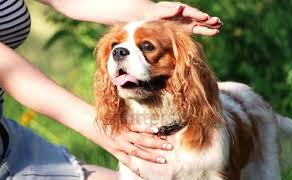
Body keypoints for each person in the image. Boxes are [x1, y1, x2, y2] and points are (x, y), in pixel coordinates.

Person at [0, 0, 222, 179]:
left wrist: (148, 11)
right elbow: (7, 69)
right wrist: (101, 127)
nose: (119, 52)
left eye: (146, 47)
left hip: (8, 139)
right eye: (115, 47)